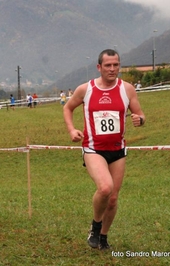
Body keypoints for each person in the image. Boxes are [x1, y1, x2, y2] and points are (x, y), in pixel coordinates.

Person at [63, 49, 145, 250]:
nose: (112, 69)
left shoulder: (127, 89)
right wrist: (72, 129)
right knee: (105, 188)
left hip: (117, 149)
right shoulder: (86, 89)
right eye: (108, 65)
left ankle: (103, 237)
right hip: (93, 149)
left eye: (116, 64)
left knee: (113, 198)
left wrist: (139, 120)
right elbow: (67, 108)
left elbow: (140, 115)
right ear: (99, 67)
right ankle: (95, 226)